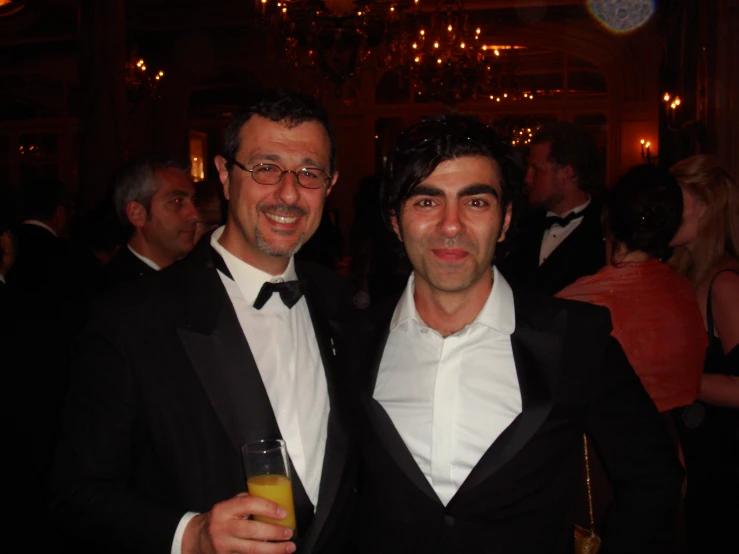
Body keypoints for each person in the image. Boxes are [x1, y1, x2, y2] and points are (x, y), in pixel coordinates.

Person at [351, 115, 683, 554]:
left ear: (505, 220)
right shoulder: (351, 342)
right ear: (396, 220)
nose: (451, 225)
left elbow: (654, 479)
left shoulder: (576, 338)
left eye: (475, 203)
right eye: (427, 202)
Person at [50, 89, 357, 554]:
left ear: (330, 186)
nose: (289, 193)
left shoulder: (340, 303)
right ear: (224, 175)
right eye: (266, 168)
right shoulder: (132, 318)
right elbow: (75, 494)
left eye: (309, 173)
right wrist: (189, 536)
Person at [558, 164, 708, 551]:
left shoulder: (580, 303)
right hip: (679, 454)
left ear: (607, 224)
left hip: (604, 468)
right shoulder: (685, 291)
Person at [668, 154, 739, 553]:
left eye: (675, 199)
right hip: (697, 451)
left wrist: (669, 377)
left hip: (725, 463)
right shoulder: (683, 276)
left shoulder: (726, 283)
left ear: (706, 206)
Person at [499, 121, 605, 294]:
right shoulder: (520, 223)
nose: (527, 179)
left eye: (536, 169)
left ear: (568, 172)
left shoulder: (604, 231)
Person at [98, 154, 199, 290]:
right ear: (137, 214)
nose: (194, 215)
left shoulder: (192, 277)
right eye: (176, 201)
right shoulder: (115, 294)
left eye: (193, 201)